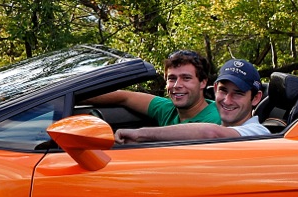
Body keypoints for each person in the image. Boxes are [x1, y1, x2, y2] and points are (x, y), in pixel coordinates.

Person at [115, 59, 266, 143]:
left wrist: (139, 134)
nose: (227, 100)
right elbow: (125, 96)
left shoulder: (258, 133)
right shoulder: (222, 130)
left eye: (238, 93)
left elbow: (210, 132)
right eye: (223, 90)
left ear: (256, 98)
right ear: (214, 89)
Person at [84, 50, 220, 126]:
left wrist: (136, 136)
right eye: (172, 79)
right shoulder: (167, 109)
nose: (177, 85)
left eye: (186, 78)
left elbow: (190, 135)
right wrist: (70, 97)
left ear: (202, 82)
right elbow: (124, 97)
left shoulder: (216, 118)